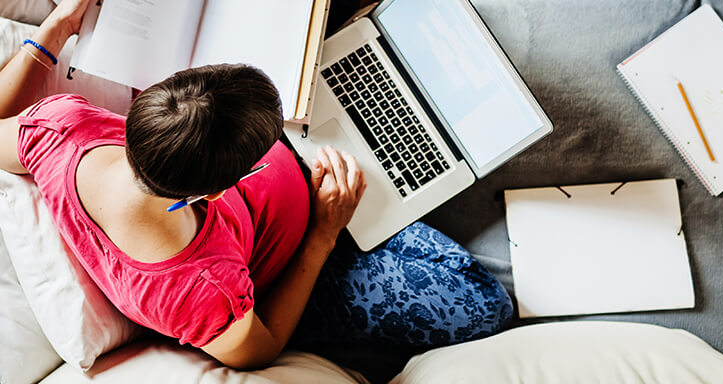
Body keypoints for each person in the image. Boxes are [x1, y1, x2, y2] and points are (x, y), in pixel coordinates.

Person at [0, 0, 513, 371]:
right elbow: (261, 348)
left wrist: (54, 28)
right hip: (308, 261)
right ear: (218, 193)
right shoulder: (198, 290)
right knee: (483, 305)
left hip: (279, 165)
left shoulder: (59, 126)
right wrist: (323, 235)